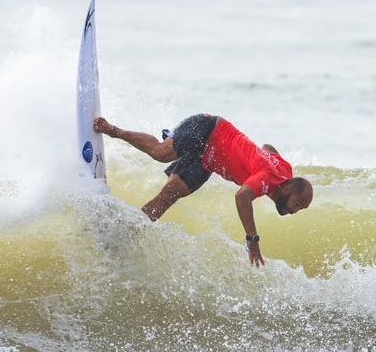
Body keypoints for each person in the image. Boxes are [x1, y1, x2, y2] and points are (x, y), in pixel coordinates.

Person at [93, 114, 313, 267]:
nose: (295, 210)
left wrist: (247, 155)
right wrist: (252, 239)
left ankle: (120, 237)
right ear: (286, 190)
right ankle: (111, 130)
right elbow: (242, 195)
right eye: (298, 204)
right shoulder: (267, 179)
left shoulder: (285, 171)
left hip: (207, 161)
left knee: (166, 199)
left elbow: (267, 148)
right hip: (208, 129)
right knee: (161, 153)